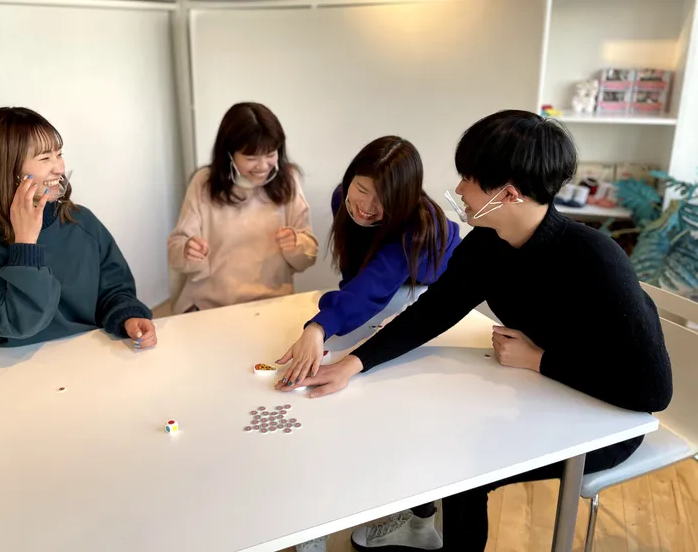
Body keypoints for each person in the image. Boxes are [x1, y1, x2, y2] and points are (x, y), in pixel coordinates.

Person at [295, 110, 673, 552]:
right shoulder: (488, 242)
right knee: (434, 423)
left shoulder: (596, 259)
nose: (458, 190)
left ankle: (431, 529)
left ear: (509, 193)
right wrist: (354, 363)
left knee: (465, 465)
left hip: (605, 419)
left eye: (469, 179)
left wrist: (541, 360)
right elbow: (433, 311)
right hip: (541, 393)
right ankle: (421, 526)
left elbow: (651, 391)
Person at [277, 136, 461, 552]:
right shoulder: (343, 198)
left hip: (430, 297)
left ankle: (414, 518)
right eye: (361, 189)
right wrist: (332, 320)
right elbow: (358, 276)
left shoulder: (419, 230)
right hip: (382, 293)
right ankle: (324, 519)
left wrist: (319, 326)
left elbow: (374, 286)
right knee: (346, 387)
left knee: (394, 400)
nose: (365, 206)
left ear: (404, 201)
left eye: (383, 201)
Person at [0, 107, 156, 350]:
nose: (59, 168)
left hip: (89, 358)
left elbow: (114, 290)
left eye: (59, 154)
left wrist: (128, 317)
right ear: (7, 170)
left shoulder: (82, 221)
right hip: (15, 368)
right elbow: (19, 324)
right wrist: (25, 244)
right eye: (45, 158)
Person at [167, 102, 317, 314]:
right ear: (229, 153)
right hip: (210, 305)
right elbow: (175, 249)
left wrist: (297, 244)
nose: (263, 166)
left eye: (270, 154)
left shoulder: (288, 180)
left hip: (271, 305)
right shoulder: (204, 182)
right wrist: (188, 250)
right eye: (251, 158)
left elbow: (308, 257)